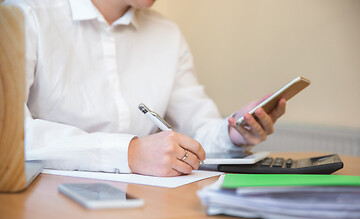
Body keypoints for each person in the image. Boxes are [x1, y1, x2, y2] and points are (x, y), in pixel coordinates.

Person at [4, 0, 286, 177]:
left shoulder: (167, 34)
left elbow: (196, 130)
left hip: (144, 204)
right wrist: (129, 153)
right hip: (43, 204)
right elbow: (11, 133)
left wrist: (233, 132)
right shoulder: (23, 16)